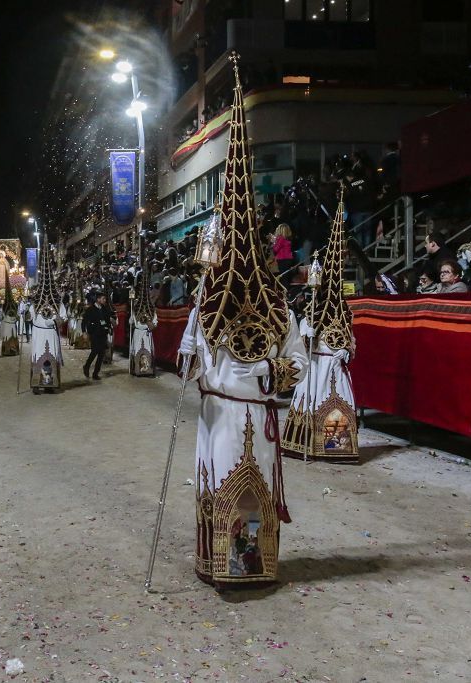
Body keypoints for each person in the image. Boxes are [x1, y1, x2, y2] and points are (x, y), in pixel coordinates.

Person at [178, 63, 306, 590]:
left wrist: (272, 371)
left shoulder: (281, 313)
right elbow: (186, 360)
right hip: (219, 416)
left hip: (256, 410)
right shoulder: (207, 307)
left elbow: (295, 365)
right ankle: (218, 562)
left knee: (252, 492)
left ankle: (252, 564)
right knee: (219, 484)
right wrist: (194, 358)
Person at [282, 188, 358, 462]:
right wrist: (308, 336)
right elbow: (299, 348)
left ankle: (334, 446)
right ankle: (305, 444)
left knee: (335, 402)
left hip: (334, 367)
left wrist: (345, 353)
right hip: (315, 365)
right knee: (310, 400)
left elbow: (351, 343)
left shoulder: (345, 313)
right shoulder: (310, 315)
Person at [29, 247, 64, 393]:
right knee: (38, 357)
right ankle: (36, 384)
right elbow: (31, 317)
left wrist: (56, 321)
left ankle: (51, 384)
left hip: (51, 333)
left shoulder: (58, 302)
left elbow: (63, 317)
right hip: (39, 334)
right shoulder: (35, 303)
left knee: (51, 357)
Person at [82, 291, 111, 380]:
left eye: (105, 299)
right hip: (94, 333)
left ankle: (95, 373)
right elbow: (84, 322)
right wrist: (84, 332)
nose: (105, 300)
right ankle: (86, 366)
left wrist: (108, 327)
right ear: (98, 299)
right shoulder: (90, 309)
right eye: (103, 299)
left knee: (101, 354)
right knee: (94, 351)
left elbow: (107, 320)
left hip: (103, 333)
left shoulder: (105, 309)